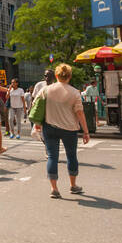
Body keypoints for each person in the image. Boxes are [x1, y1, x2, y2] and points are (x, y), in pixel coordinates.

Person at [33, 63, 90, 199]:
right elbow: (80, 113)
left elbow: (36, 106)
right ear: (69, 76)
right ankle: (73, 185)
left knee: (52, 157)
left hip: (49, 127)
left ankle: (54, 188)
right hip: (69, 129)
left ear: (56, 76)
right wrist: (86, 132)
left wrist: (37, 124)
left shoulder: (46, 90)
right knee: (71, 156)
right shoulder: (74, 92)